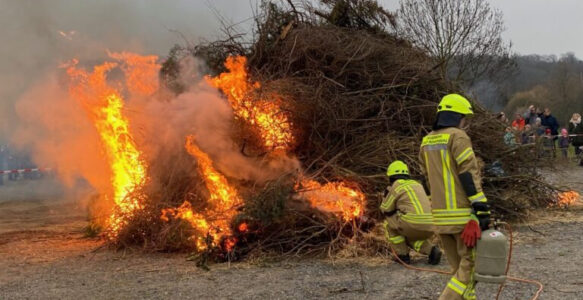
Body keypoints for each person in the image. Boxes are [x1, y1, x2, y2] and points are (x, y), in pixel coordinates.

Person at [420, 94, 490, 300]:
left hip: (440, 217)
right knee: (470, 269)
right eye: (464, 119)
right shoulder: (457, 137)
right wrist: (481, 207)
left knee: (458, 271)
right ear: (457, 116)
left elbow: (426, 178)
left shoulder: (426, 141)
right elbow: (468, 174)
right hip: (462, 217)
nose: (465, 124)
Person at [380, 160, 442, 265]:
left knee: (389, 225)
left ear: (391, 176)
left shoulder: (396, 186)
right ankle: (431, 250)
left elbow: (385, 208)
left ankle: (403, 256)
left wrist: (386, 195)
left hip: (412, 223)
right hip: (431, 225)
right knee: (410, 235)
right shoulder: (417, 184)